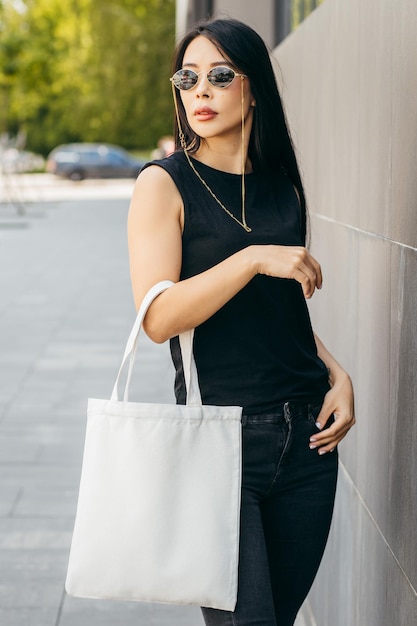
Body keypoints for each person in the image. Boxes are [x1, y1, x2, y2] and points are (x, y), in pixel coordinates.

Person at [128, 17, 355, 626]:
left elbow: (281, 313)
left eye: (220, 76)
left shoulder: (283, 186)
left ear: (253, 89)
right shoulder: (163, 185)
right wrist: (251, 258)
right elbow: (157, 317)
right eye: (188, 77)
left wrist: (337, 374)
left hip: (307, 439)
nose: (200, 90)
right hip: (219, 442)